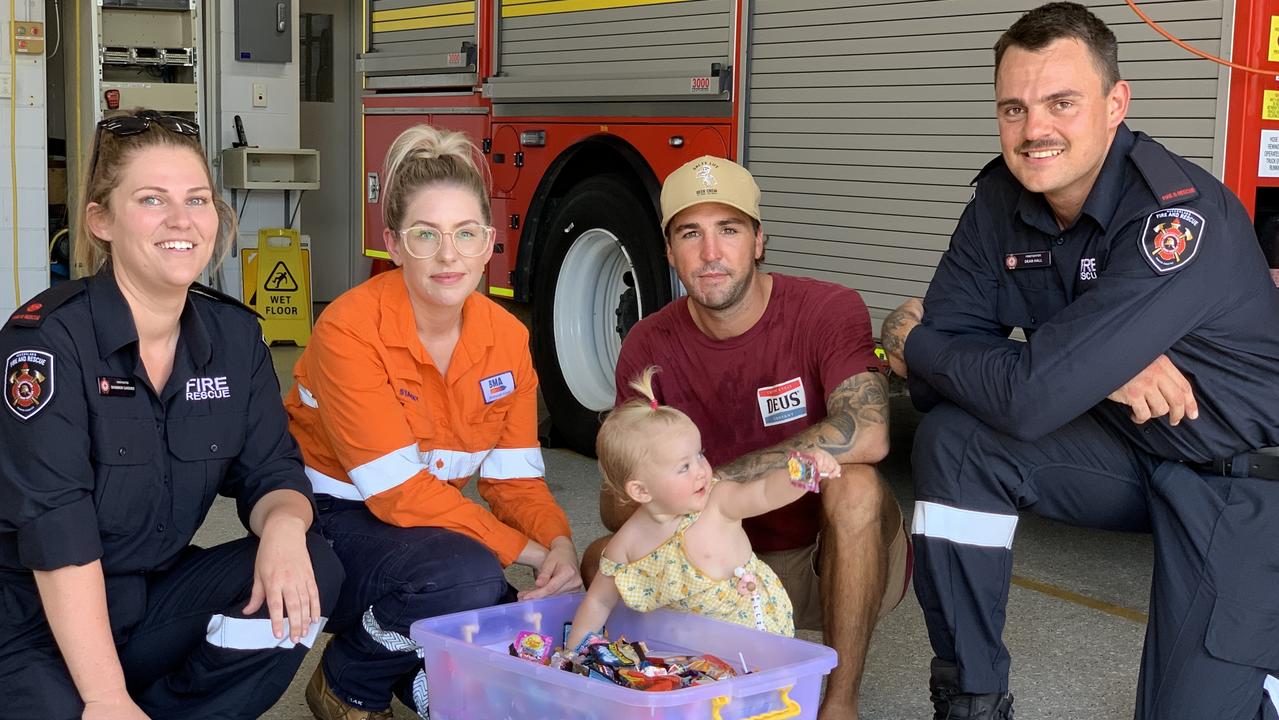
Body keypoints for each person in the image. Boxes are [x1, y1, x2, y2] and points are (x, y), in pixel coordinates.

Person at [880, 4, 1279, 719]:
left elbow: (1022, 394)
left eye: (1060, 103)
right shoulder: (999, 203)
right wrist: (1085, 365)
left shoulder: (1175, 219)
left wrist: (916, 344)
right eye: (1013, 107)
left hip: (1239, 484)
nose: (1034, 130)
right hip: (1127, 452)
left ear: (1114, 103)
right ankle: (968, 699)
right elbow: (949, 396)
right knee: (957, 442)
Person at [0, 109, 344, 719]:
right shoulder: (47, 345)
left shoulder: (235, 339)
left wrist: (288, 527)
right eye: (152, 200)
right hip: (33, 621)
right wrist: (105, 697)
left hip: (148, 599)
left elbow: (273, 473)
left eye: (197, 199)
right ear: (100, 220)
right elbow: (59, 537)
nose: (181, 220)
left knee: (311, 563)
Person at [583, 155, 911, 719]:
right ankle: (693, 683)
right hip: (715, 562)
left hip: (822, 557)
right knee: (600, 564)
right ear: (668, 251)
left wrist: (715, 482)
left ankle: (839, 701)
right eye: (691, 233)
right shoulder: (646, 344)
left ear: (758, 240)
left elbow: (870, 432)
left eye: (728, 230)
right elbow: (620, 502)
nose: (711, 254)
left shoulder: (826, 308)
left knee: (856, 485)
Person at [285, 124, 583, 720]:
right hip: (327, 521)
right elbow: (396, 495)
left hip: (427, 525)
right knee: (467, 578)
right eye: (426, 235)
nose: (449, 256)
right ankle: (346, 686)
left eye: (465, 234)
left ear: (488, 243)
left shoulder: (508, 339)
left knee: (518, 613)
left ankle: (416, 677)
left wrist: (558, 545)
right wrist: (520, 550)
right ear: (393, 244)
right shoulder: (349, 329)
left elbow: (513, 480)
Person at [566, 366, 841, 649]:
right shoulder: (627, 545)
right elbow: (598, 602)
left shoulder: (717, 503)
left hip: (755, 636)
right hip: (692, 648)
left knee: (764, 692)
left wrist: (804, 471)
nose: (701, 470)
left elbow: (764, 493)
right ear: (641, 490)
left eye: (700, 454)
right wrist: (570, 659)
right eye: (684, 467)